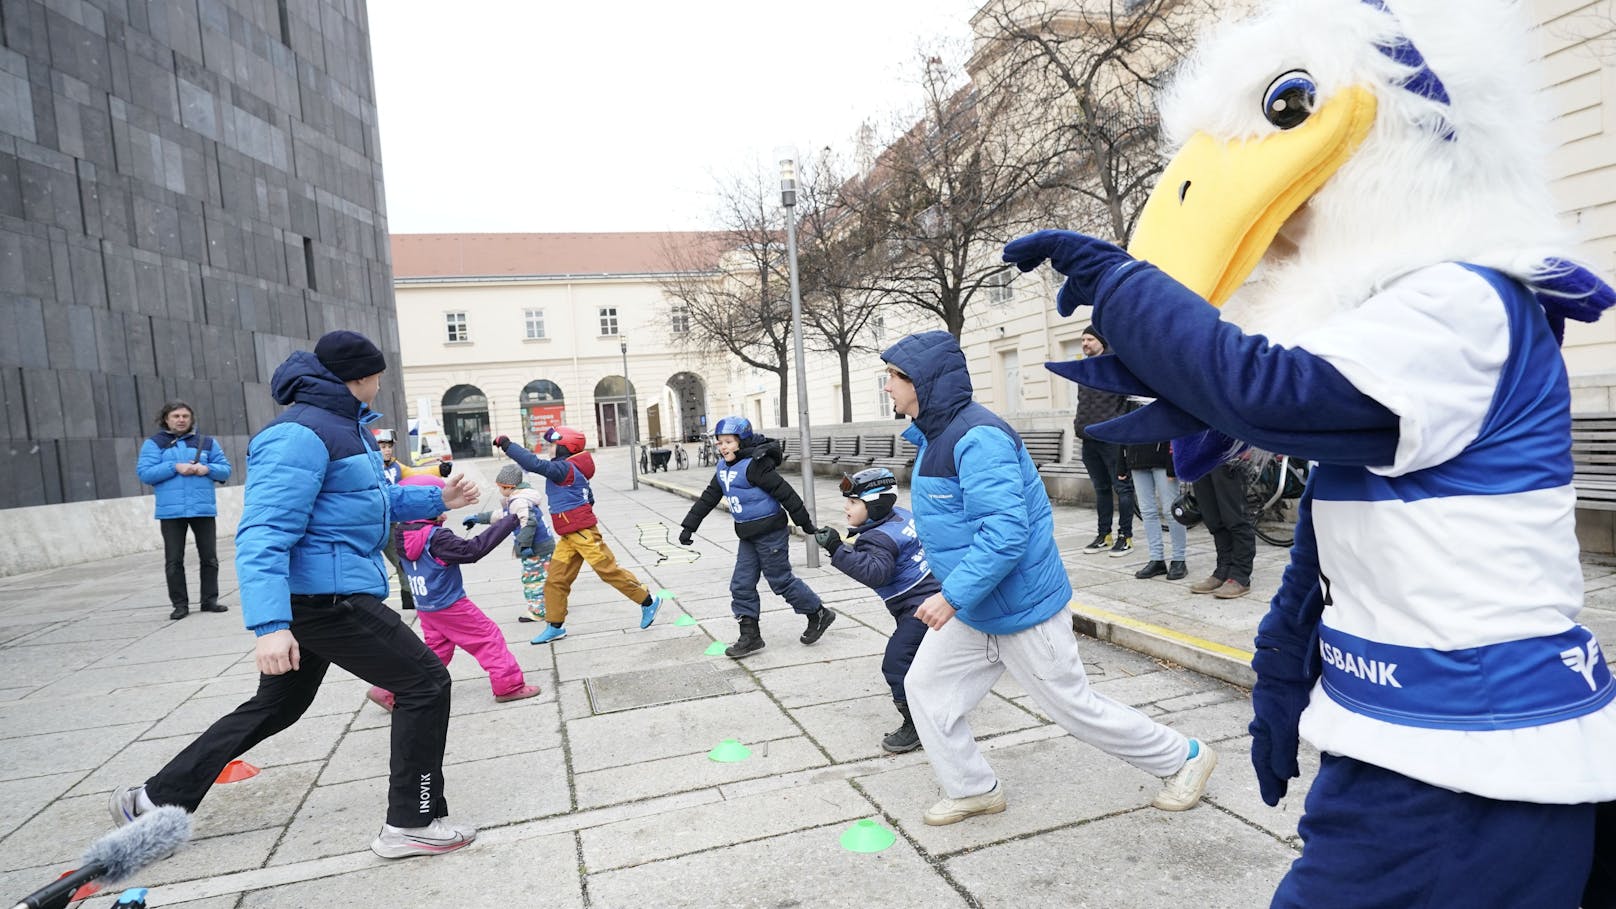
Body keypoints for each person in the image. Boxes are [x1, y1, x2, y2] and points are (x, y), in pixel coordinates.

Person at [111, 330, 485, 860]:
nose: (381, 384)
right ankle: (413, 822)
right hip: (324, 599)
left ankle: (154, 798)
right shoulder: (300, 435)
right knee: (424, 682)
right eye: (378, 375)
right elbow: (262, 533)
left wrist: (435, 495)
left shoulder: (341, 426)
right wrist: (270, 626)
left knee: (278, 705)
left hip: (321, 592)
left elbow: (362, 503)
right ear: (359, 377)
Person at [880, 330, 1216, 826]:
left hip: (1022, 607)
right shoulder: (935, 434)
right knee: (925, 688)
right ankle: (973, 788)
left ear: (922, 382)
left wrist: (950, 595)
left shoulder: (978, 438)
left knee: (1074, 709)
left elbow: (1005, 534)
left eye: (893, 376)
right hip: (976, 607)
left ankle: (1184, 757)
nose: (887, 386)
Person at [366, 475, 541, 711]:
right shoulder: (437, 537)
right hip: (450, 605)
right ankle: (508, 685)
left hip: (427, 607)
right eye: (438, 507)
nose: (445, 514)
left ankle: (388, 690)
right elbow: (472, 550)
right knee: (488, 638)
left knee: (435, 653)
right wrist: (509, 521)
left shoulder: (402, 533)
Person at [494, 426, 670, 644]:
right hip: (569, 536)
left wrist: (507, 445)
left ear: (565, 447)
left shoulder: (564, 469)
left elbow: (533, 463)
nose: (549, 449)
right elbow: (589, 498)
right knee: (556, 580)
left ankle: (648, 601)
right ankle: (555, 626)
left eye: (553, 445)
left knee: (608, 570)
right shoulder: (572, 469)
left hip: (583, 534)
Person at [679, 416, 832, 658]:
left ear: (742, 441)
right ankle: (750, 637)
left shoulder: (755, 466)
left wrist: (805, 524)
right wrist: (689, 526)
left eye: (729, 441)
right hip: (748, 536)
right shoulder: (723, 468)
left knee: (780, 581)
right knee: (740, 584)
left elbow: (787, 494)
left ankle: (818, 613)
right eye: (720, 443)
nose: (723, 447)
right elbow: (709, 497)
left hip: (771, 533)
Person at [813, 467, 934, 752]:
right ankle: (939, 704)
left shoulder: (878, 538)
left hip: (920, 607)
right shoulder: (903, 516)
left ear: (877, 504)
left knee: (896, 662)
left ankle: (916, 725)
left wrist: (836, 548)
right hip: (932, 594)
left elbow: (876, 572)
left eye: (854, 502)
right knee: (927, 659)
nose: (846, 507)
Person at [136, 401, 232, 620]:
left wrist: (207, 469)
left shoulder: (207, 442)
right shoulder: (155, 443)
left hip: (202, 509)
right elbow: (145, 473)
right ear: (166, 419)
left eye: (185, 416)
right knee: (174, 560)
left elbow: (225, 470)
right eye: (176, 416)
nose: (181, 420)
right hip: (171, 512)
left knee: (209, 558)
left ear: (191, 419)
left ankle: (210, 600)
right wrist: (174, 467)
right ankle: (180, 605)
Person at [462, 463, 556, 624]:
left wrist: (524, 545)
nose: (499, 490)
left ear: (508, 487)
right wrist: (478, 518)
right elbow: (502, 515)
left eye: (500, 487)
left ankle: (538, 611)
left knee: (532, 579)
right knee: (547, 577)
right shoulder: (522, 498)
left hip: (535, 548)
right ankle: (554, 605)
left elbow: (529, 522)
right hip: (545, 544)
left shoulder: (518, 501)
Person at [1074, 325, 1135, 557]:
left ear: (1101, 341)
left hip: (1112, 438)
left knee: (1122, 487)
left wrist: (1119, 426)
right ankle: (1104, 535)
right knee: (1101, 489)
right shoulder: (1084, 367)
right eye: (1082, 340)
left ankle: (1125, 536)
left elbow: (1128, 400)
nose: (1085, 344)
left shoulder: (1115, 365)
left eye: (1089, 339)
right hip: (1088, 439)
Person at [377, 429, 450, 611]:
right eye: (382, 447)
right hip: (372, 522)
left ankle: (410, 599)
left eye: (389, 447)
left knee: (402, 561)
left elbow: (415, 474)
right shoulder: (370, 467)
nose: (387, 451)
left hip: (392, 523)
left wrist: (438, 471)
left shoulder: (395, 466)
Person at [1189, 458, 1254, 599]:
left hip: (1228, 455)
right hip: (1200, 456)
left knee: (1235, 517)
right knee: (1213, 519)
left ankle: (1240, 575)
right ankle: (1223, 570)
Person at [1125, 436, 1188, 581]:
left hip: (1164, 460)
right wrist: (1122, 463)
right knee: (1147, 511)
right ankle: (1156, 559)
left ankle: (1179, 559)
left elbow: (1175, 430)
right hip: (1137, 459)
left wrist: (1174, 463)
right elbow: (1126, 429)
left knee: (1172, 512)